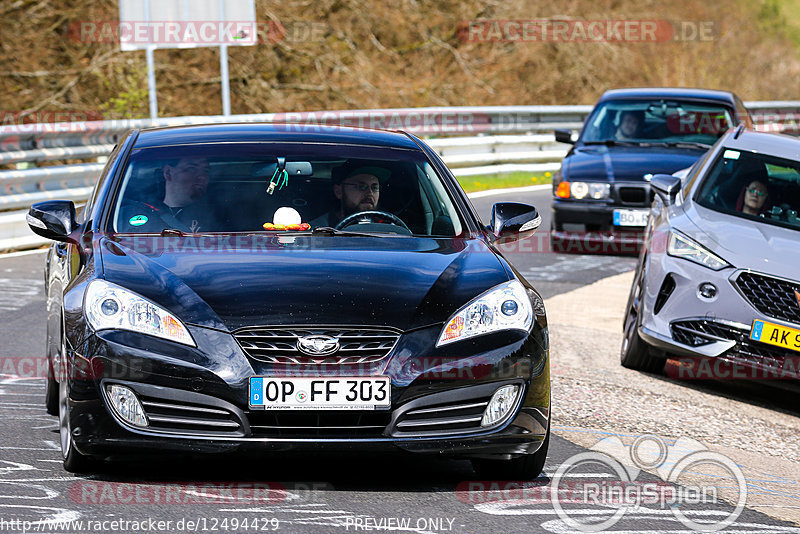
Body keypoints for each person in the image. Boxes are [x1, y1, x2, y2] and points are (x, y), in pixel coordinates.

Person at [120, 156, 217, 233]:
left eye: (206, 171)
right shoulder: (129, 212)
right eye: (191, 168)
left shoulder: (217, 217)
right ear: (168, 173)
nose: (202, 176)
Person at [310, 166, 389, 228]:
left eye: (374, 188)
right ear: (338, 191)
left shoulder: (389, 228)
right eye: (362, 187)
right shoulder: (315, 231)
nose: (370, 193)